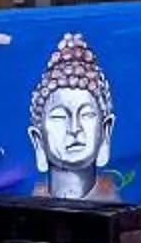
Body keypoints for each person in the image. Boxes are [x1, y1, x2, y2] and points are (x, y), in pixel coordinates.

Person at [27, 32, 120, 201]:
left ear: (105, 131)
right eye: (59, 117)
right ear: (38, 140)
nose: (75, 129)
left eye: (86, 114)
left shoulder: (119, 206)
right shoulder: (29, 207)